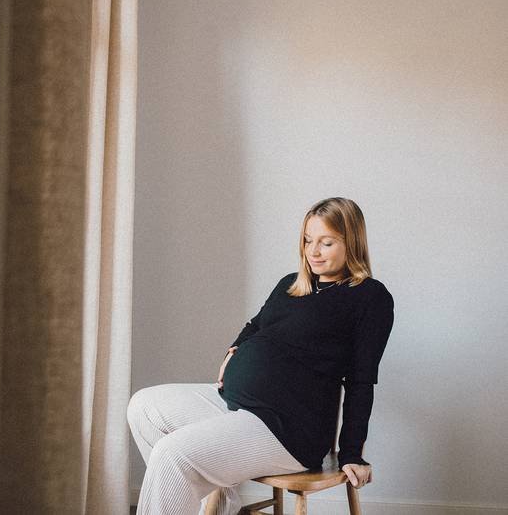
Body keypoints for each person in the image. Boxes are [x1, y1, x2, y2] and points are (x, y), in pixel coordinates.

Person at [127, 197, 395, 515]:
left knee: (172, 454)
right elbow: (255, 326)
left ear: (352, 243)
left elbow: (361, 380)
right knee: (143, 407)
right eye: (307, 240)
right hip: (236, 403)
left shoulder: (369, 297)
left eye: (326, 243)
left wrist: (352, 453)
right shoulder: (291, 284)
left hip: (287, 428)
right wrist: (234, 350)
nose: (313, 251)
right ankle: (219, 505)